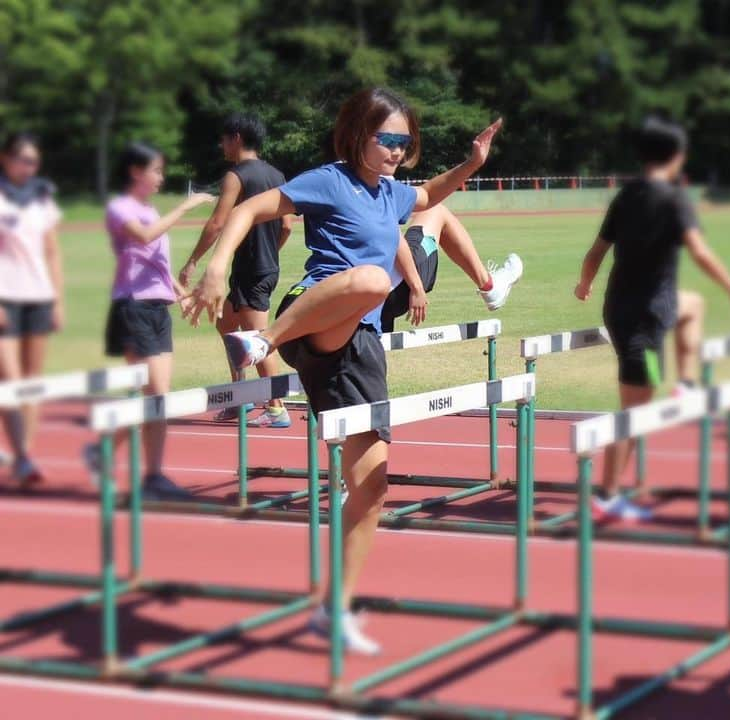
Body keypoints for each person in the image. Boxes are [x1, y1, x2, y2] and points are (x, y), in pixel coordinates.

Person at [185, 87, 501, 654]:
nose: (398, 152)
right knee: (373, 280)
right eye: (388, 140)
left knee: (372, 488)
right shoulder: (329, 180)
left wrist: (471, 165)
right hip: (315, 316)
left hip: (362, 344)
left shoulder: (390, 194)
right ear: (358, 135)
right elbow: (252, 209)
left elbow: (428, 195)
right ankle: (261, 342)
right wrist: (216, 265)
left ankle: (334, 609)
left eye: (406, 143)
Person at [574, 115, 730, 521]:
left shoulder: (626, 197)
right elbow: (701, 252)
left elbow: (595, 253)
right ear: (677, 156)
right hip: (645, 320)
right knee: (634, 414)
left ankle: (687, 384)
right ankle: (606, 494)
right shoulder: (674, 200)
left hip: (629, 308)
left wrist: (584, 285)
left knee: (692, 305)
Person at [86, 142, 215, 500]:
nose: (161, 177)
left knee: (158, 398)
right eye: (156, 170)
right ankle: (142, 469)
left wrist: (182, 293)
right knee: (154, 395)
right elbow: (144, 237)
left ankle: (139, 468)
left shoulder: (149, 210)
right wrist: (185, 207)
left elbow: (157, 264)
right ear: (135, 172)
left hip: (157, 309)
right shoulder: (120, 208)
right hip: (133, 308)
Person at [179, 113, 293, 427]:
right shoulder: (277, 175)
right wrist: (269, 252)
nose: (221, 144)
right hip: (261, 267)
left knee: (260, 339)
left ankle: (276, 407)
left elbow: (217, 223)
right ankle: (241, 396)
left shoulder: (237, 176)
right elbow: (286, 226)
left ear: (237, 138)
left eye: (224, 138)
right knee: (226, 324)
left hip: (253, 270)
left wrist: (193, 261)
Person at [0, 132, 64, 486]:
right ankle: (23, 458)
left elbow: (52, 250)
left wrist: (57, 300)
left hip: (38, 295)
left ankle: (24, 448)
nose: (29, 167)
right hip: (4, 296)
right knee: (10, 380)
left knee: (31, 383)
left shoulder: (42, 194)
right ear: (6, 159)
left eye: (34, 162)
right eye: (22, 160)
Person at [379, 203, 522, 333]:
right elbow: (393, 237)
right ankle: (489, 286)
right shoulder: (374, 184)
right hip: (394, 288)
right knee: (435, 210)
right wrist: (416, 287)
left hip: (365, 301)